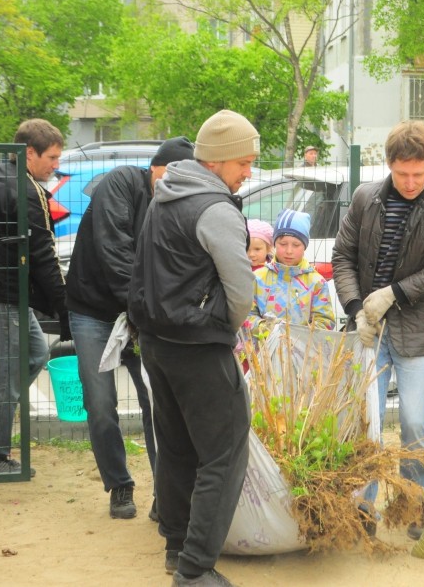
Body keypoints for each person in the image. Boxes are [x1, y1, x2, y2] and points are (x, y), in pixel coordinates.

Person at [129, 109, 258, 586]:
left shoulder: (164, 196)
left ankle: (176, 546)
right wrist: (225, 327)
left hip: (157, 343)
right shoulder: (215, 210)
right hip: (200, 346)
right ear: (217, 161)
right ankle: (196, 569)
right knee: (223, 453)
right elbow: (241, 290)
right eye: (243, 163)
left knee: (177, 446)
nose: (248, 172)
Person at [331, 120, 424, 539]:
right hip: (369, 329)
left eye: (418, 174)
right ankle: (362, 509)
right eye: (402, 173)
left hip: (419, 331)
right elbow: (343, 256)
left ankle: (413, 504)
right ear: (389, 164)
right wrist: (357, 309)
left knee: (414, 424)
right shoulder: (365, 197)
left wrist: (395, 294)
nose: (410, 183)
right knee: (365, 421)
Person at [64, 136, 195, 520]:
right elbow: (115, 249)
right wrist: (141, 309)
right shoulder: (121, 182)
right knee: (100, 405)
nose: (174, 181)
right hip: (94, 312)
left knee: (158, 404)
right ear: (154, 167)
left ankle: (165, 495)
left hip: (140, 314)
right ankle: (119, 484)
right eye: (170, 172)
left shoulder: (175, 205)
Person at [0, 118, 71, 475]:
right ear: (29, 153)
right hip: (1, 297)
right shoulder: (27, 190)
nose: (56, 165)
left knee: (35, 354)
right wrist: (64, 309)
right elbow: (44, 256)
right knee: (6, 375)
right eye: (52, 157)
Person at [246, 209, 335, 331]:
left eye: (296, 245)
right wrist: (268, 329)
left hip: (303, 343)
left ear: (304, 246)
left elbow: (325, 321)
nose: (289, 251)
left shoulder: (316, 282)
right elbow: (247, 316)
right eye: (283, 244)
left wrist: (298, 335)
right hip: (264, 343)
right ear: (274, 244)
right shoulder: (257, 279)